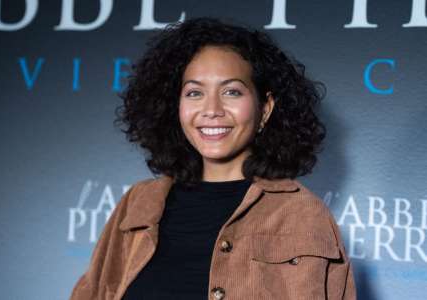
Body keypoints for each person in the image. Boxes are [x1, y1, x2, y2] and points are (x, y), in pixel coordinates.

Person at [70, 17, 356, 300]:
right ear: (175, 106)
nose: (211, 109)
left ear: (265, 109)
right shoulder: (138, 203)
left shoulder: (303, 214)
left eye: (231, 91)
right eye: (194, 92)